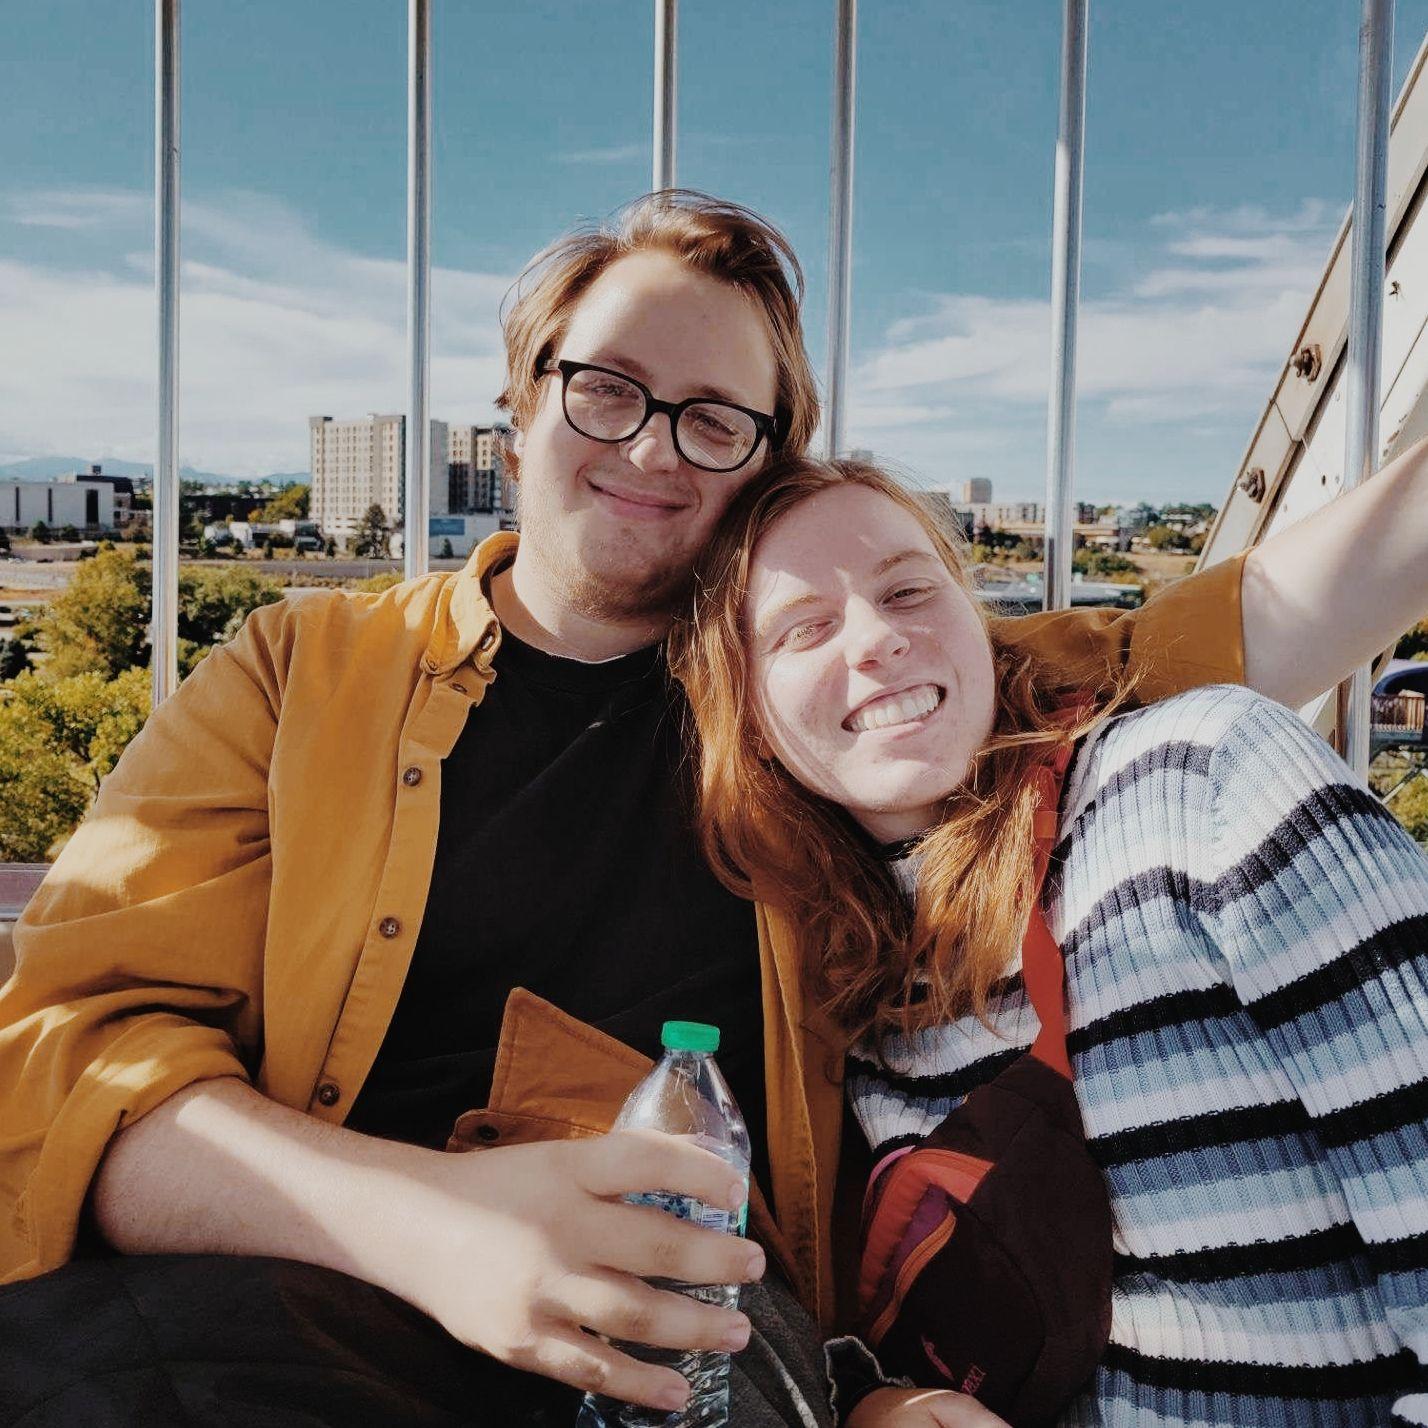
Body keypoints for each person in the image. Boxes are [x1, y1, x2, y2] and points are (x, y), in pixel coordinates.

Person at [0, 190, 1425, 1425]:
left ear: (765, 463)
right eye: (606, 388)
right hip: (294, 1317)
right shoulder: (301, 670)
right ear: (519, 408)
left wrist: (861, 1384)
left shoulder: (820, 706)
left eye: (713, 418)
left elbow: (1240, 625)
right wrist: (419, 1229)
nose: (653, 448)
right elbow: (69, 1057)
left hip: (693, 1360)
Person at [669, 454, 1428, 1427]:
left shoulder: (1203, 784)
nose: (877, 639)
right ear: (755, 720)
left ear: (975, 626)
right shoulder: (838, 998)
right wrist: (880, 1405)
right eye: (806, 628)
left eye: (909, 590)